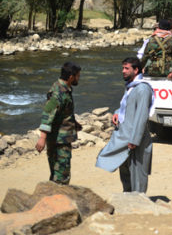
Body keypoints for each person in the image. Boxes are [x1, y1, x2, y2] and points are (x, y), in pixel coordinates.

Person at [96, 57, 155, 193]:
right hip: (125, 137)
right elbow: (126, 106)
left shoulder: (142, 89)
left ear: (136, 70)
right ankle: (127, 199)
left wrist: (135, 140)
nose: (123, 71)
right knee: (125, 171)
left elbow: (141, 117)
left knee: (137, 172)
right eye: (123, 68)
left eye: (126, 68)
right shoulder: (131, 86)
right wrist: (117, 112)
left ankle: (139, 204)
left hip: (135, 140)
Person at [36, 62, 82, 185]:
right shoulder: (58, 93)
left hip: (61, 138)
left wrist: (74, 122)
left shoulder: (64, 89)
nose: (79, 78)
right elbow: (48, 114)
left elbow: (61, 112)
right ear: (71, 77)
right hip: (59, 141)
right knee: (61, 174)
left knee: (58, 172)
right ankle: (58, 200)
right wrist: (42, 138)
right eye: (78, 76)